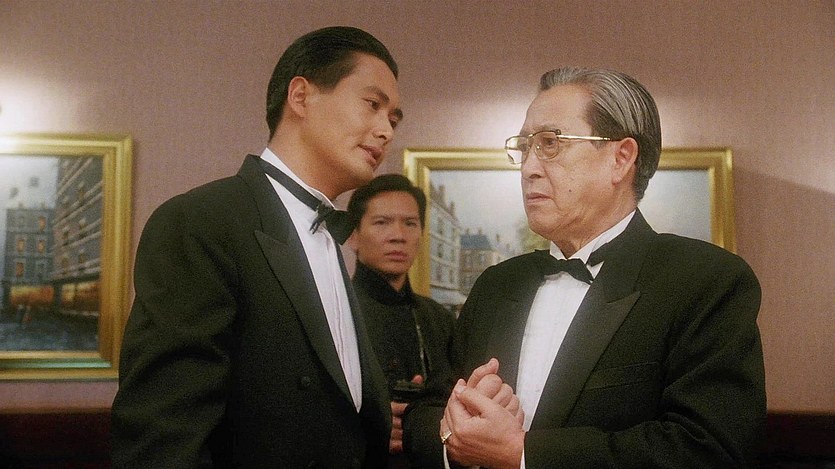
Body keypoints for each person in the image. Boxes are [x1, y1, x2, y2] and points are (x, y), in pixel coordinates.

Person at [404, 67, 765, 468]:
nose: (528, 168)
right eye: (524, 147)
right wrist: (453, 435)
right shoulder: (497, 284)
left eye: (550, 143)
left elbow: (709, 449)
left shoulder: (705, 281)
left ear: (620, 159)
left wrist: (521, 454)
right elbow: (424, 413)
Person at [111, 26, 403, 468]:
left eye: (394, 119)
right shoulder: (201, 221)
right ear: (301, 96)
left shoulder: (329, 238)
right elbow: (162, 437)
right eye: (373, 105)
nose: (385, 131)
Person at [347, 174, 456, 467]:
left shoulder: (440, 319)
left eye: (410, 223)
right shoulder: (332, 311)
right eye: (381, 222)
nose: (398, 235)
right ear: (353, 236)